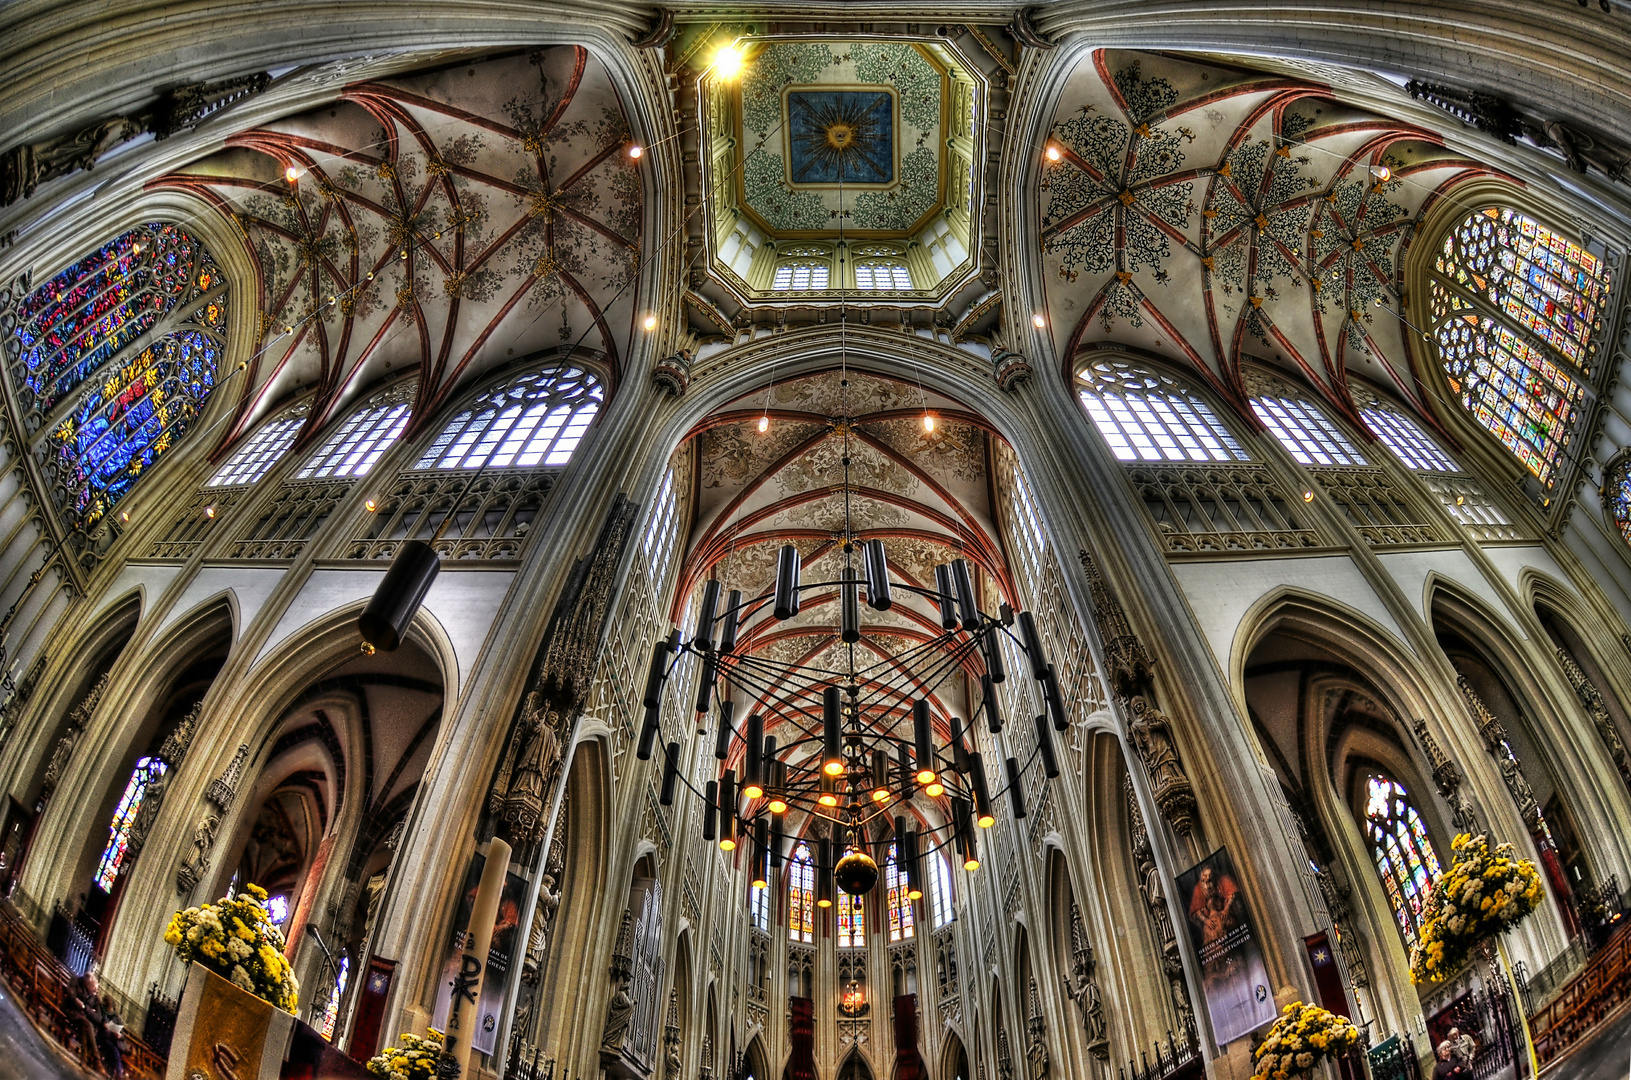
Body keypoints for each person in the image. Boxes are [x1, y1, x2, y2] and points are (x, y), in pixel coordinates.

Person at [67, 971, 106, 1073]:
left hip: (83, 1020)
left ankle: (83, 1059)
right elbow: (71, 995)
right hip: (72, 1012)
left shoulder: (95, 997)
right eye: (93, 988)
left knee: (85, 1027)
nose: (95, 991)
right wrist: (77, 1002)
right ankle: (97, 1059)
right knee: (88, 1025)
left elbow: (98, 1017)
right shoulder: (76, 981)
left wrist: (85, 1008)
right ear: (87, 984)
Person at [98, 995, 126, 1079]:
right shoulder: (101, 1011)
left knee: (115, 1050)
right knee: (114, 1050)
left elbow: (122, 1034)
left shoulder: (116, 1017)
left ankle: (114, 1073)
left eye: (111, 1008)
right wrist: (104, 1025)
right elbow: (99, 1020)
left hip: (113, 1040)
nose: (110, 1010)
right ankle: (119, 1072)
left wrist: (119, 1035)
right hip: (102, 1038)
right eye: (109, 1008)